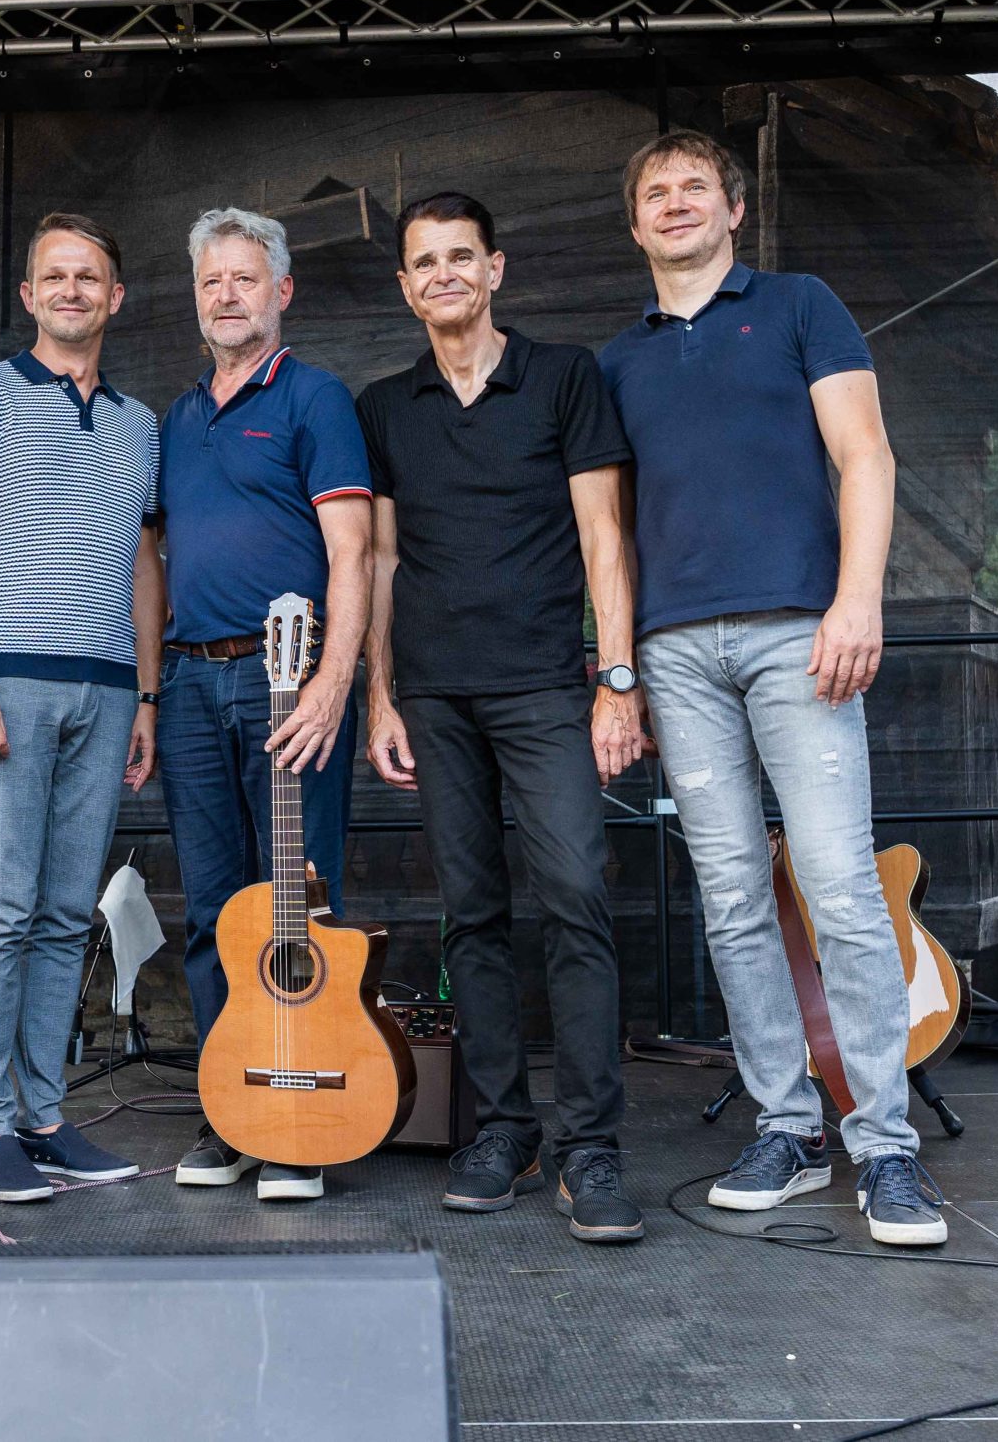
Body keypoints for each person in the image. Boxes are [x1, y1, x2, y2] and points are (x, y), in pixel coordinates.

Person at [597, 129, 946, 1247]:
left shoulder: (799, 305)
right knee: (734, 898)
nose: (675, 202)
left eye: (695, 186)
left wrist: (858, 601)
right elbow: (606, 535)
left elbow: (866, 456)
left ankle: (884, 1147)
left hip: (803, 633)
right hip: (675, 655)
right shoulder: (617, 362)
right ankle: (788, 1130)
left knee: (841, 888)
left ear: (733, 209)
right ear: (635, 223)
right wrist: (618, 672)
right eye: (655, 192)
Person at [359, 191, 647, 1245]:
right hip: (434, 695)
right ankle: (503, 1131)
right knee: (471, 915)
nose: (443, 273)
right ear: (406, 286)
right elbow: (382, 559)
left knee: (574, 894)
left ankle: (591, 1145)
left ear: (495, 269)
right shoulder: (385, 406)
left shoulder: (564, 376)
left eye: (460, 256)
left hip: (544, 688)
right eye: (424, 261)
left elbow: (604, 537)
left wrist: (616, 679)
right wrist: (380, 695)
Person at [0, 212, 161, 1203]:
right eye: (54, 276)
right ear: (28, 295)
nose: (72, 290)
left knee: (68, 913)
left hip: (106, 689)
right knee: (0, 906)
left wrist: (146, 695)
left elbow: (145, 565)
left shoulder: (140, 424)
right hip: (9, 682)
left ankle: (43, 1117)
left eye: (89, 277)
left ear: (116, 297)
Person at [157, 206, 373, 1203]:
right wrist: (151, 692)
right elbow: (150, 559)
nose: (226, 295)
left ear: (281, 291)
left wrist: (333, 681)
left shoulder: (315, 398)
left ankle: (300, 1122)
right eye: (211, 281)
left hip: (287, 679)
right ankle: (231, 1110)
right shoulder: (176, 418)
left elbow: (352, 553)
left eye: (244, 278)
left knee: (302, 905)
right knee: (211, 911)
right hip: (190, 681)